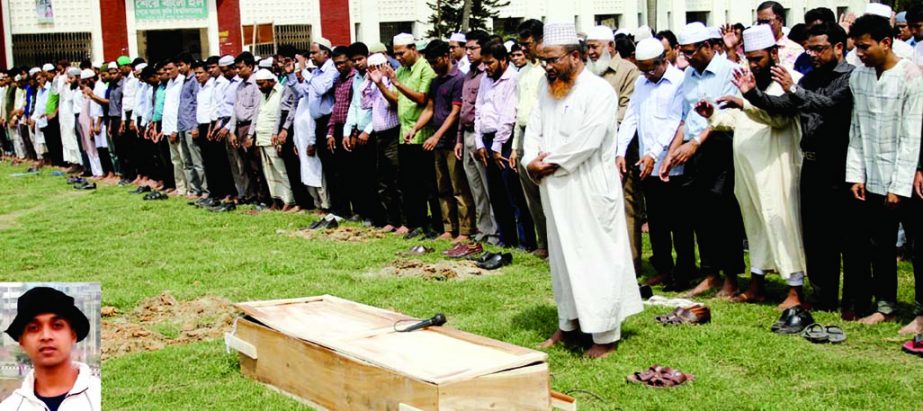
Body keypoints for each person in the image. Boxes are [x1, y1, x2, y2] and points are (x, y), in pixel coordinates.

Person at [525, 22, 643, 359]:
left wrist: (549, 163)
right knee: (563, 260)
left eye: (553, 60)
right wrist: (531, 161)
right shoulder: (546, 90)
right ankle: (569, 323)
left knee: (594, 259)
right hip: (555, 189)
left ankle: (605, 335)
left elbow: (588, 140)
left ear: (575, 56)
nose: (547, 67)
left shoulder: (598, 92)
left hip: (588, 189)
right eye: (543, 61)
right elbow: (534, 128)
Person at [735, 22, 855, 313]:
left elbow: (828, 107)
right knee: (816, 237)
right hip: (811, 164)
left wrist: (791, 89)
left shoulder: (849, 78)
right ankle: (822, 296)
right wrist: (750, 95)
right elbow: (783, 107)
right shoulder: (810, 79)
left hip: (837, 165)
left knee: (848, 239)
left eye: (818, 48)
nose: (811, 54)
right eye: (809, 48)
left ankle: (853, 301)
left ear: (839, 47)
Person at [696, 24, 807, 309]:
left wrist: (745, 103)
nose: (754, 64)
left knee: (781, 223)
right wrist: (713, 117)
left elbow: (779, 118)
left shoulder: (788, 80)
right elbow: (739, 120)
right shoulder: (750, 83)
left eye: (759, 58)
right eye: (751, 58)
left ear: (773, 53)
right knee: (755, 225)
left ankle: (795, 289)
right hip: (748, 170)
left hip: (775, 168)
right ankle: (757, 285)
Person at [845, 14, 923, 325]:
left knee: (918, 248)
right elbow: (857, 128)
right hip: (872, 176)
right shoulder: (859, 77)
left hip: (905, 180)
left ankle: (920, 313)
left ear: (886, 42)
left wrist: (898, 186)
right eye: (857, 48)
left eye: (865, 47)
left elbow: (912, 134)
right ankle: (885, 305)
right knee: (879, 245)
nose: (860, 54)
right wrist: (856, 174)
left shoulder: (912, 77)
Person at [660, 23, 746, 295]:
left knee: (724, 214)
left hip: (721, 146)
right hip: (695, 150)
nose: (686, 58)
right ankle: (710, 273)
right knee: (700, 213)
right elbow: (686, 119)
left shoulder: (728, 71)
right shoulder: (688, 76)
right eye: (683, 53)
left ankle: (731, 276)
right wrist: (674, 151)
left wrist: (694, 144)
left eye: (691, 52)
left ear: (708, 46)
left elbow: (723, 116)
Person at [617, 38, 694, 289]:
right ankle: (663, 268)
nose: (648, 74)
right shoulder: (641, 83)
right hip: (646, 163)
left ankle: (684, 271)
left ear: (664, 60)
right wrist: (620, 150)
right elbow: (631, 117)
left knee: (680, 222)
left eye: (652, 68)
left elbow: (675, 120)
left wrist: (654, 153)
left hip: (673, 162)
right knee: (658, 220)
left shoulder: (680, 81)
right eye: (643, 69)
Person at [475, 39, 535, 250]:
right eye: (484, 63)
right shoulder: (485, 79)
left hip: (505, 142)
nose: (486, 67)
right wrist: (479, 142)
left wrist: (497, 147)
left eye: (490, 62)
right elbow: (478, 110)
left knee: (514, 194)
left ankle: (525, 241)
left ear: (503, 60)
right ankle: (506, 238)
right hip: (487, 140)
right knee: (496, 194)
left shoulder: (512, 79)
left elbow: (508, 115)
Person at [0, 287, 100, 411]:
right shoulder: (10, 407)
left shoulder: (99, 395)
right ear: (21, 341)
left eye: (57, 325)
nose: (46, 336)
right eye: (33, 328)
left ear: (73, 335)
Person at [421, 39, 475, 242]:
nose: (433, 66)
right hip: (438, 143)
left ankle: (465, 230)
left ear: (446, 57)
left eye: (435, 61)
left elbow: (455, 113)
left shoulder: (458, 79)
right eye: (430, 62)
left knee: (458, 188)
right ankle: (448, 228)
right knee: (442, 187)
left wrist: (437, 136)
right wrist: (416, 128)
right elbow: (430, 108)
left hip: (452, 141)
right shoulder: (435, 81)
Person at [387, 33, 440, 239]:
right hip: (404, 133)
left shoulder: (425, 69)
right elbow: (396, 100)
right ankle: (416, 223)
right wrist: (381, 85)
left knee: (428, 184)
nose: (399, 57)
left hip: (422, 135)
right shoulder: (401, 70)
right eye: (396, 54)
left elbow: (422, 99)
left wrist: (397, 83)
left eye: (401, 53)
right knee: (409, 184)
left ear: (413, 48)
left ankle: (435, 225)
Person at [511, 18, 550, 258]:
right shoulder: (522, 73)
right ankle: (543, 242)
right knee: (532, 197)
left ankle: (556, 244)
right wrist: (516, 145)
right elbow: (519, 111)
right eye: (521, 44)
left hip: (544, 136)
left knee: (548, 194)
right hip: (525, 134)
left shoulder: (548, 69)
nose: (523, 49)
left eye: (527, 44)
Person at [458, 30, 501, 244]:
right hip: (467, 133)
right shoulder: (469, 73)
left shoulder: (488, 73)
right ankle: (483, 230)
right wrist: (459, 139)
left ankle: (495, 231)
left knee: (488, 186)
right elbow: (464, 107)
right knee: (476, 188)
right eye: (466, 48)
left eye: (472, 48)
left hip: (482, 135)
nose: (468, 52)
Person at [249, 69, 298, 212]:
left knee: (280, 170)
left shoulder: (281, 91)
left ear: (271, 81)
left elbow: (280, 115)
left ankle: (289, 200)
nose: (259, 87)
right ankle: (276, 201)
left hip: (274, 136)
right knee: (268, 172)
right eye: (257, 84)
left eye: (262, 83)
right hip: (262, 137)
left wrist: (278, 133)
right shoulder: (263, 94)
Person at [366, 53, 404, 231]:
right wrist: (369, 82)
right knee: (383, 180)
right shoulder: (373, 84)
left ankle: (404, 220)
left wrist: (381, 83)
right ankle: (391, 219)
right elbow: (364, 102)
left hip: (393, 133)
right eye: (372, 68)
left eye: (378, 66)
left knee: (397, 180)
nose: (376, 71)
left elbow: (391, 104)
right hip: (379, 135)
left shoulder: (391, 82)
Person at [757, 1, 805, 70]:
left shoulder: (796, 50)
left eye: (766, 22)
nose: (761, 26)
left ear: (780, 21)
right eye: (759, 22)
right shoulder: (755, 48)